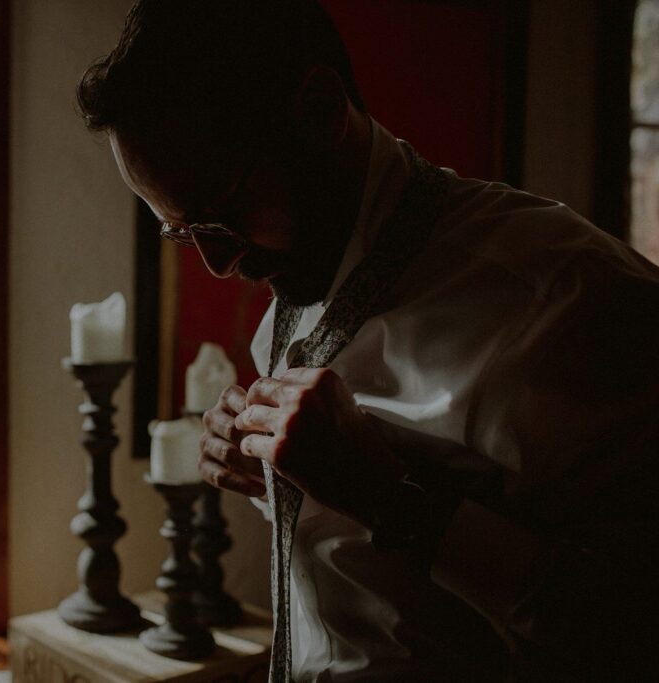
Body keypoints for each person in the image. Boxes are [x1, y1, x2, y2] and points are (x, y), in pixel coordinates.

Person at [77, 1, 659, 680]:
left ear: (322, 111)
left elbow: (634, 626)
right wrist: (271, 475)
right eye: (185, 232)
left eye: (225, 207)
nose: (217, 264)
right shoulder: (291, 302)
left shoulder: (569, 293)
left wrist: (390, 499)